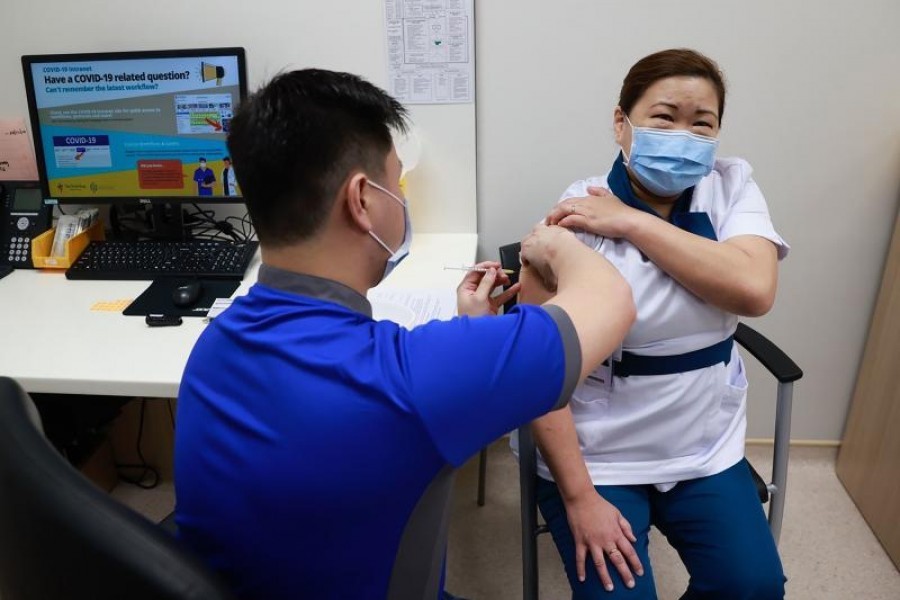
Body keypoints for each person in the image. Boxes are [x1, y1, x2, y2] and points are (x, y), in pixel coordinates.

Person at [174, 68, 636, 600]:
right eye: (396, 182)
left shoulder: (215, 342)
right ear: (362, 200)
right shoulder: (413, 380)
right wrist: (554, 241)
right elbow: (611, 301)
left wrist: (470, 336)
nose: (400, 196)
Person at [528, 48, 790, 599]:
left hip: (702, 444)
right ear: (621, 122)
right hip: (599, 454)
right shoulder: (575, 216)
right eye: (664, 117)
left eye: (703, 123)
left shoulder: (730, 184)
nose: (684, 135)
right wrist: (579, 499)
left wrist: (631, 223)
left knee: (753, 587)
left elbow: (753, 289)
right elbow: (536, 376)